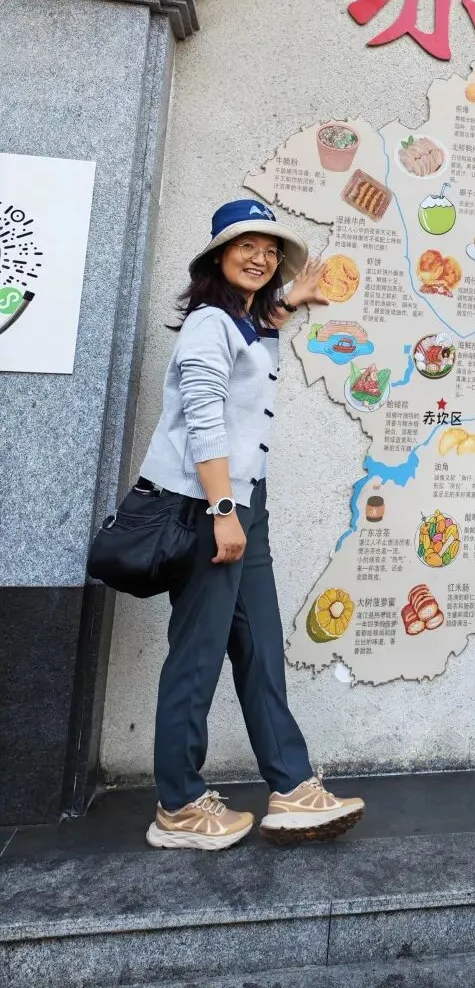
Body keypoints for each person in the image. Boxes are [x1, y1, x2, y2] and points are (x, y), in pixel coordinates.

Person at [138, 199, 366, 850]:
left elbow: (259, 325)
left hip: (246, 503)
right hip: (207, 504)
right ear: (218, 256)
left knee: (261, 647)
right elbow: (204, 420)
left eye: (270, 250)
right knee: (198, 653)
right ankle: (178, 805)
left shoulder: (242, 322)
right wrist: (221, 511)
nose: (261, 258)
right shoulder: (208, 324)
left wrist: (293, 298)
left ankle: (291, 787)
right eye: (247, 246)